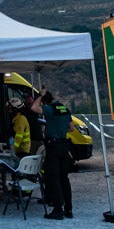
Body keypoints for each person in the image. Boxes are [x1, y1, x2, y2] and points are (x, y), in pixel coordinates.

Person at [32, 89, 73, 220]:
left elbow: (34, 107)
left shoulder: (50, 109)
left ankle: (57, 210)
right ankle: (68, 209)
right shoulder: (65, 109)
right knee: (64, 178)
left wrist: (40, 96)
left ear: (45, 102)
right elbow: (71, 128)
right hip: (64, 146)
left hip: (53, 146)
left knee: (54, 178)